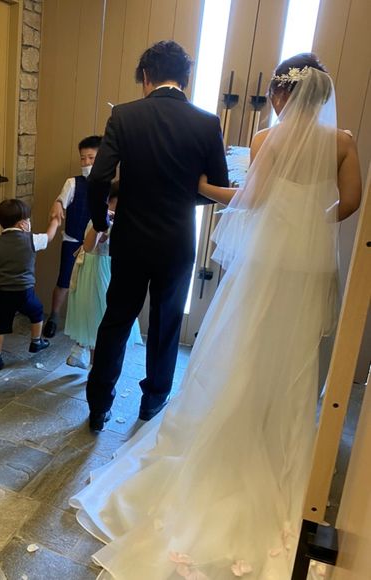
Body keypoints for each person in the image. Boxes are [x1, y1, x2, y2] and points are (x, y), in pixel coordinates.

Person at [70, 54, 362, 579]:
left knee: (126, 323)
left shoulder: (134, 117)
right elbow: (348, 202)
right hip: (254, 253)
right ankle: (158, 401)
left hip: (159, 242)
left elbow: (241, 197)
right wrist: (309, 220)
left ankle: (99, 407)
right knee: (212, 334)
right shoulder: (324, 139)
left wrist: (110, 218)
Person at [85, 41, 229, 431]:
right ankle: (152, 403)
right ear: (186, 78)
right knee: (166, 325)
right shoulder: (206, 122)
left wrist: (101, 223)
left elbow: (98, 179)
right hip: (178, 240)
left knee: (117, 320)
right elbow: (215, 188)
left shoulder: (124, 116)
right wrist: (180, 196)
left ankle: (98, 407)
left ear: (146, 76)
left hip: (131, 237)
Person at [0, 199, 61, 371]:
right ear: (22, 223)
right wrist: (55, 221)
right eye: (28, 219)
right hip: (25, 291)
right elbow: (49, 237)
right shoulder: (32, 239)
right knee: (37, 311)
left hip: (3, 292)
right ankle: (36, 342)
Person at [64, 183, 142, 369]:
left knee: (100, 314)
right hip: (97, 270)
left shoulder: (128, 220)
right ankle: (94, 365)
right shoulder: (101, 220)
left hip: (111, 268)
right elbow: (89, 246)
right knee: (97, 316)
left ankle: (82, 353)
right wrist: (103, 223)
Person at [43, 135, 103, 339]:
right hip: (72, 239)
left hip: (97, 245)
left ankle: (89, 322)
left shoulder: (109, 186)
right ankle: (54, 317)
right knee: (64, 280)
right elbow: (61, 201)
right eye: (83, 158)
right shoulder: (73, 183)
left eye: (91, 158)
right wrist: (57, 204)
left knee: (92, 284)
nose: (86, 163)